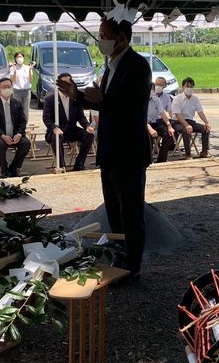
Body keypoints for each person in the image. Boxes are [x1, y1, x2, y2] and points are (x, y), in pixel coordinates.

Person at [57, 18, 151, 277]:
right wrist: (77, 95)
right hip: (109, 151)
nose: (100, 40)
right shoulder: (111, 66)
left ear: (120, 38)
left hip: (129, 151)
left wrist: (105, 99)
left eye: (104, 35)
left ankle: (133, 266)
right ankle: (119, 256)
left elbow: (134, 106)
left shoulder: (138, 66)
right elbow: (105, 104)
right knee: (114, 210)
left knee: (131, 211)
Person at [43, 73, 95, 171]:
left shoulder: (75, 98)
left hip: (72, 130)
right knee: (57, 137)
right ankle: (62, 166)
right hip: (56, 131)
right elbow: (47, 118)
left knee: (89, 135)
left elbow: (81, 116)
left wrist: (87, 126)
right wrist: (54, 128)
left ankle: (79, 164)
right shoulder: (51, 99)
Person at [0, 77, 31, 177]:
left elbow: (22, 121)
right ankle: (4, 168)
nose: (7, 89)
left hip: (15, 135)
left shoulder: (17, 104)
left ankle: (15, 167)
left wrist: (19, 134)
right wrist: (2, 135)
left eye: (9, 87)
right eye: (4, 87)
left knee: (26, 143)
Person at [171, 77, 211, 159]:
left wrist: (207, 122)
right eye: (187, 86)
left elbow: (200, 112)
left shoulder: (195, 99)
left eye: (191, 86)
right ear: (183, 87)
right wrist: (186, 125)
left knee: (205, 129)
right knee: (186, 130)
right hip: (178, 122)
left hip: (190, 121)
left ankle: (204, 151)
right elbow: (178, 115)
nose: (189, 88)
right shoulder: (177, 99)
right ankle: (188, 153)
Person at [147, 81, 175, 163]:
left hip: (154, 123)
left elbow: (162, 114)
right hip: (144, 125)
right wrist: (150, 129)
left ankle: (162, 159)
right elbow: (140, 118)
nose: (151, 91)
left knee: (168, 134)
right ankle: (148, 159)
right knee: (148, 135)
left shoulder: (156, 99)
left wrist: (169, 126)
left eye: (152, 89)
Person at [9, 51, 34, 120]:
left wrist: (29, 70)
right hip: (17, 91)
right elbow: (12, 81)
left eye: (21, 56)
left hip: (26, 91)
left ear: (23, 58)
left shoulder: (27, 67)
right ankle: (17, 125)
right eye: (18, 57)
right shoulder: (13, 68)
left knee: (26, 110)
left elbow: (31, 80)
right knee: (17, 109)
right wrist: (15, 72)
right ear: (15, 59)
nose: (19, 58)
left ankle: (24, 125)